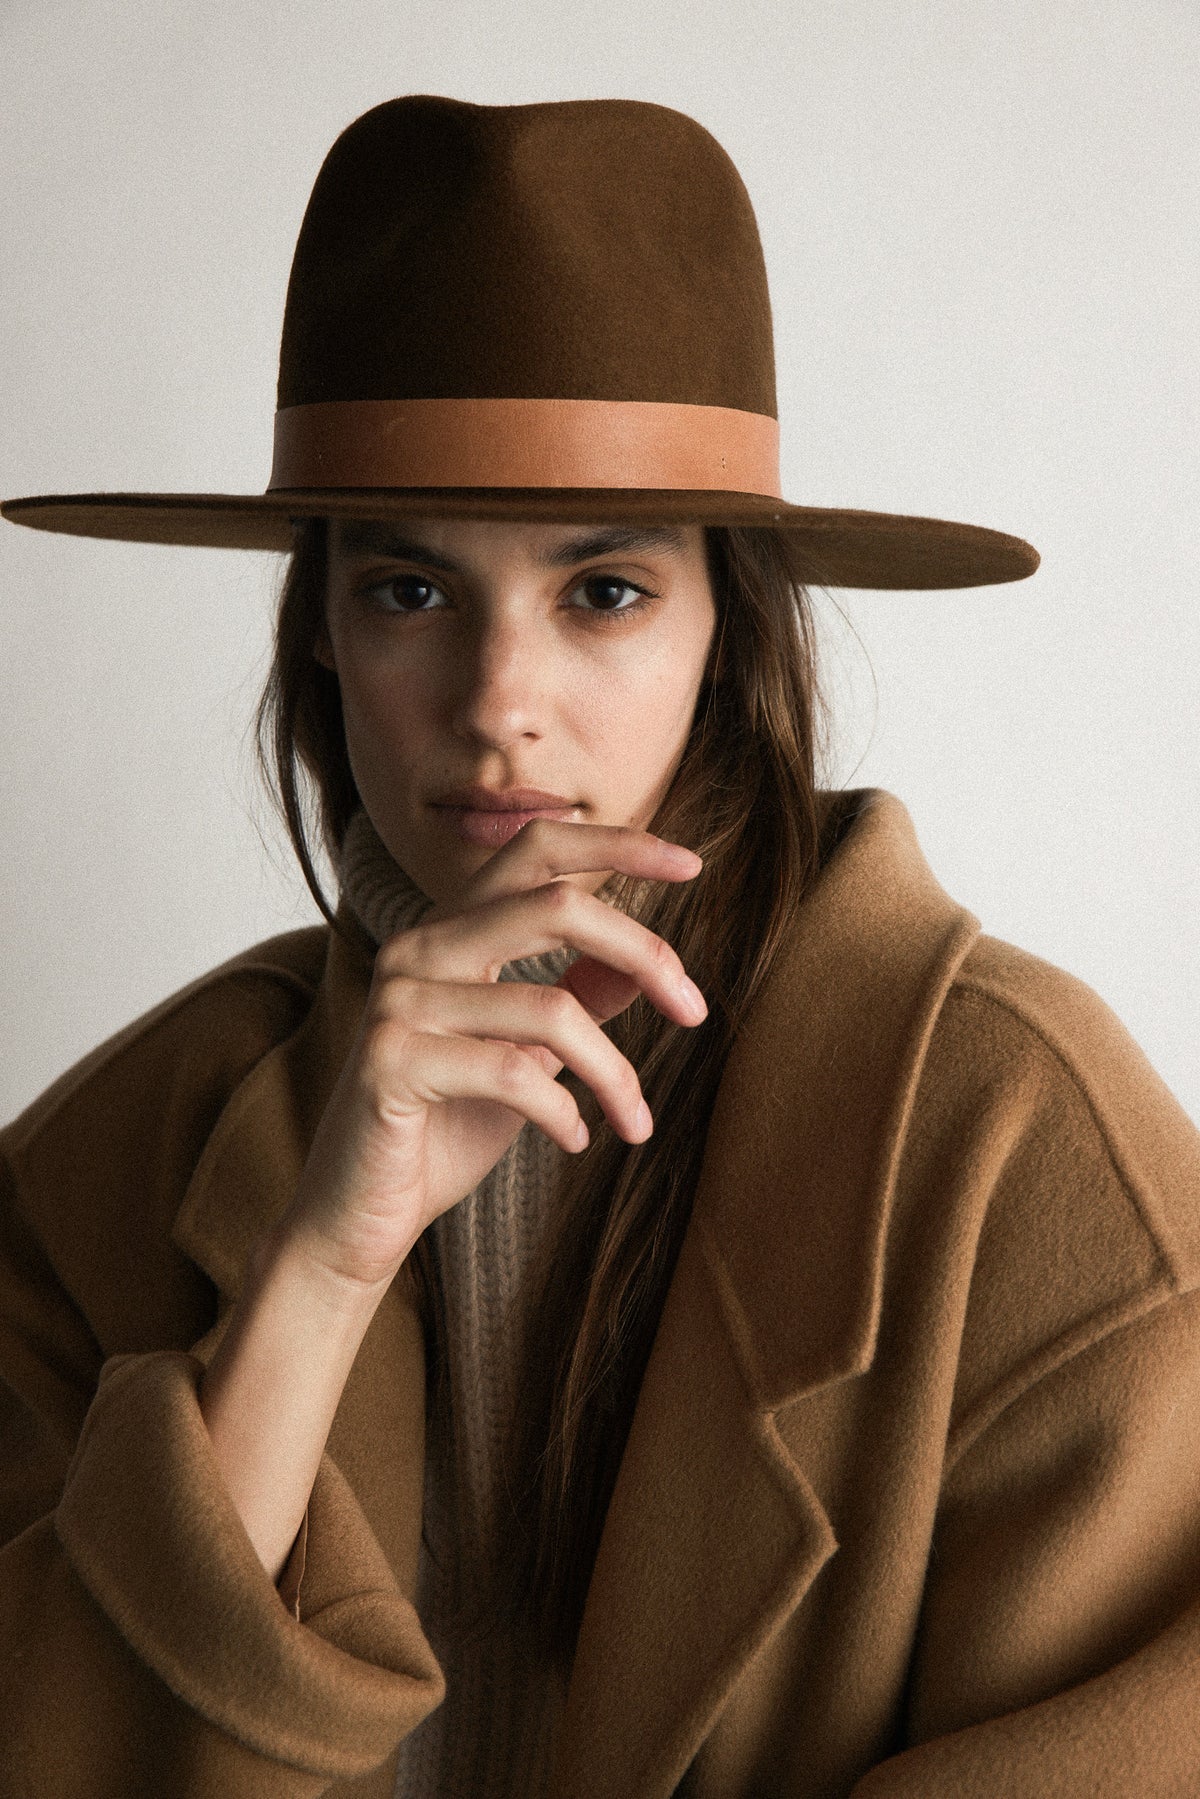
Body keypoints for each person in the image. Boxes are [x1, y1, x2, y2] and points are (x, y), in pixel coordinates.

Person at [1, 92, 1198, 1799]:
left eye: (605, 591)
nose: (501, 704)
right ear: (320, 626)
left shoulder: (1019, 1142)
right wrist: (316, 1279)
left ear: (730, 629)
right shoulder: (102, 1172)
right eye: (410, 590)